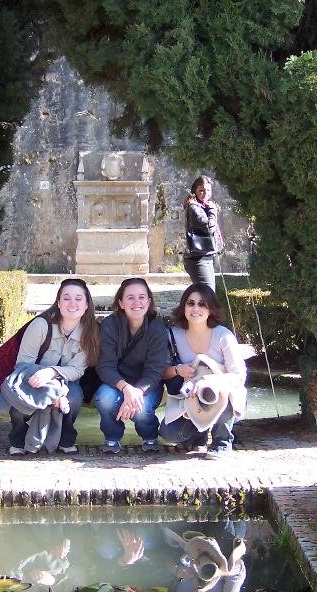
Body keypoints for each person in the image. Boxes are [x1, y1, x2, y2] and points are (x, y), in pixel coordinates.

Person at [8, 278, 99, 456]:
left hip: (66, 382)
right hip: (31, 377)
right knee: (20, 402)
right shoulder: (40, 325)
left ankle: (66, 439)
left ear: (87, 304)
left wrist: (52, 375)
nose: (72, 303)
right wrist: (50, 389)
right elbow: (23, 365)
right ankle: (18, 438)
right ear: (58, 303)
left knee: (74, 397)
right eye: (66, 298)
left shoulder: (90, 332)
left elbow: (77, 370)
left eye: (78, 298)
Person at [159, 283, 247, 459]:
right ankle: (199, 434)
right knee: (169, 433)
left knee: (225, 393)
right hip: (189, 399)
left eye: (202, 304)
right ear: (183, 307)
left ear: (211, 309)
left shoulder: (223, 336)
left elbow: (239, 376)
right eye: (190, 303)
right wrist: (177, 370)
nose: (196, 309)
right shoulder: (172, 335)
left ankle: (222, 442)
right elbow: (162, 372)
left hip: (223, 396)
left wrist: (210, 381)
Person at [95, 277, 169, 454]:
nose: (137, 302)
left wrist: (137, 392)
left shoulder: (157, 329)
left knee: (141, 410)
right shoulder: (110, 325)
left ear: (149, 301)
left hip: (147, 385)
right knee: (105, 399)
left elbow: (155, 371)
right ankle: (112, 438)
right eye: (130, 298)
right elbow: (105, 366)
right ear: (121, 303)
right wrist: (126, 389)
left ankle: (149, 436)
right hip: (116, 383)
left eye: (142, 297)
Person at [183, 175, 224, 291]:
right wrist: (213, 211)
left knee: (209, 294)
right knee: (207, 294)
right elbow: (209, 227)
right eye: (201, 190)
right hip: (197, 258)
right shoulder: (194, 208)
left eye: (208, 190)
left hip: (205, 256)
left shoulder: (203, 206)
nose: (205, 193)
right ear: (195, 191)